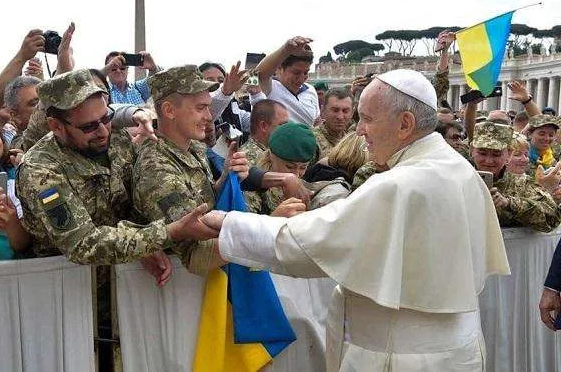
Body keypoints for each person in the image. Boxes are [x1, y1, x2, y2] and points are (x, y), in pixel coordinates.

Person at [202, 68, 510, 371]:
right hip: (456, 351)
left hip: (402, 357)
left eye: (367, 119)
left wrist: (226, 223)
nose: (358, 130)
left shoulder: (398, 184)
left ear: (405, 124)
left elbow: (311, 244)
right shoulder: (458, 167)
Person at [16, 69, 217, 264]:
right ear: (56, 126)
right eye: (89, 127)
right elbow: (82, 244)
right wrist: (168, 233)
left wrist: (141, 246)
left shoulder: (118, 140)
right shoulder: (40, 170)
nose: (103, 131)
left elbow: (129, 206)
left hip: (125, 279)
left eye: (106, 118)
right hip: (67, 286)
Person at [132, 65, 250, 276]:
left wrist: (227, 176)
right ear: (169, 111)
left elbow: (205, 200)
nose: (208, 116)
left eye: (208, 107)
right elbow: (196, 254)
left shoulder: (194, 146)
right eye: (200, 108)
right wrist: (260, 237)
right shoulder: (157, 168)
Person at [470, 121, 561, 232]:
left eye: (496, 154)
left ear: (508, 154)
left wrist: (509, 204)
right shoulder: (458, 181)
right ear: (472, 151)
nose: (489, 161)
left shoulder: (522, 184)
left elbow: (552, 219)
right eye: (482, 153)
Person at [244, 122, 314, 216]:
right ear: (270, 156)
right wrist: (276, 218)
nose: (296, 174)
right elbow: (243, 228)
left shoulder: (301, 188)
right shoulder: (251, 183)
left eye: (303, 167)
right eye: (289, 166)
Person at [252, 36, 319, 126]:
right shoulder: (270, 87)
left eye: (306, 72)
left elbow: (316, 122)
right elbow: (254, 77)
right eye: (296, 73)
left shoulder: (311, 90)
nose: (302, 78)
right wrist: (285, 49)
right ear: (279, 68)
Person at [240, 99, 289, 167]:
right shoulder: (247, 160)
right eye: (283, 125)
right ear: (263, 126)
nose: (287, 129)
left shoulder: (273, 150)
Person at [313, 88, 354, 159]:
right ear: (323, 110)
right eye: (335, 110)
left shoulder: (352, 142)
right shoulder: (312, 140)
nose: (340, 117)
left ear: (352, 113)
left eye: (345, 111)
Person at [3, 76, 40, 148]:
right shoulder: (21, 146)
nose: (44, 107)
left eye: (45, 101)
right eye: (35, 104)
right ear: (15, 115)